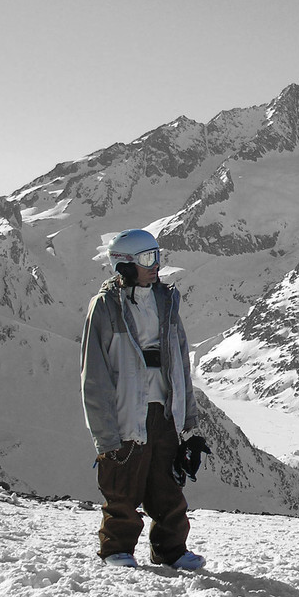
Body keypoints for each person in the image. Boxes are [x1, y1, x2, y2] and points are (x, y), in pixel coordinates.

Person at [80, 228, 206, 569]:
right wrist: (104, 435)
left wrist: (189, 425)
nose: (156, 266)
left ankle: (172, 550)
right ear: (125, 265)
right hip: (125, 413)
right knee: (122, 484)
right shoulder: (106, 307)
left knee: (166, 486)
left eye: (157, 257)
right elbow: (94, 375)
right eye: (148, 259)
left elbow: (181, 366)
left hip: (163, 411)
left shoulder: (166, 302)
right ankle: (117, 549)